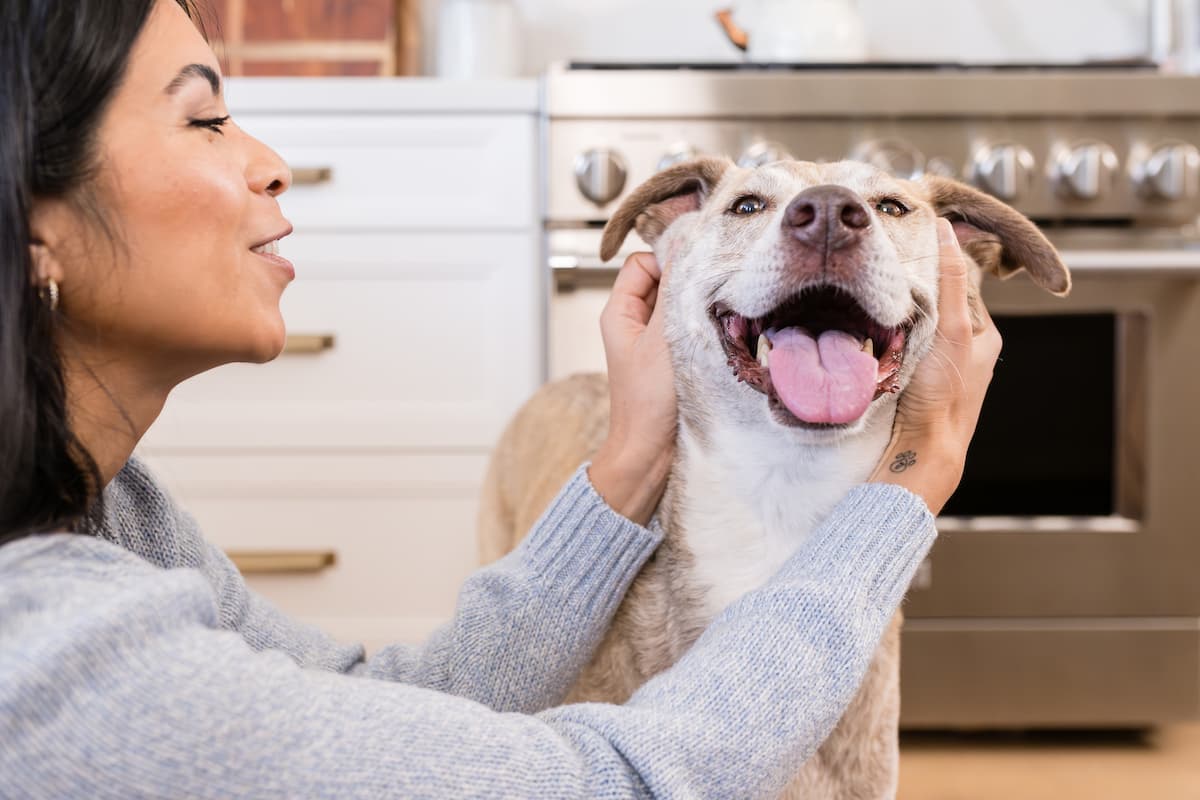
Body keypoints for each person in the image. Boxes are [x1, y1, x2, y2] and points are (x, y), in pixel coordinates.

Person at [0, 1, 1002, 797]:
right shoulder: (47, 655)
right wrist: (907, 486)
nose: (268, 160)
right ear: (33, 223)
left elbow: (372, 704)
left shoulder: (118, 509)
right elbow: (615, 785)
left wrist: (628, 460)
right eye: (206, 118)